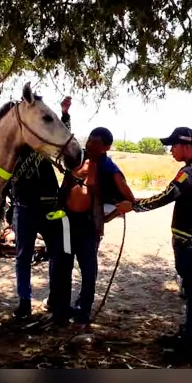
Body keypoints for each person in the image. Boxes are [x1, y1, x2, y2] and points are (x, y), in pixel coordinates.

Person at [127, 126, 192, 364]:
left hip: (191, 242)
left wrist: (135, 205)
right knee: (190, 288)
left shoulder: (189, 172)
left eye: (174, 146)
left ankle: (190, 342)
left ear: (186, 146)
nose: (171, 150)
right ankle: (187, 332)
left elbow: (166, 196)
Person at [52, 127, 133, 329]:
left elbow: (129, 200)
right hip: (66, 223)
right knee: (62, 267)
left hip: (89, 227)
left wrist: (109, 216)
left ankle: (84, 312)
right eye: (89, 141)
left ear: (106, 147)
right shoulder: (77, 159)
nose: (90, 146)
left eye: (96, 143)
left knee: (88, 271)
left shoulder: (110, 169)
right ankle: (61, 310)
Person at [5, 96, 74, 319]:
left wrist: (65, 114)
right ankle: (24, 302)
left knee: (58, 255)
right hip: (24, 208)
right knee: (23, 257)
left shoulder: (45, 143)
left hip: (51, 206)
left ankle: (55, 300)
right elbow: (15, 177)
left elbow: (62, 136)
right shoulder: (12, 150)